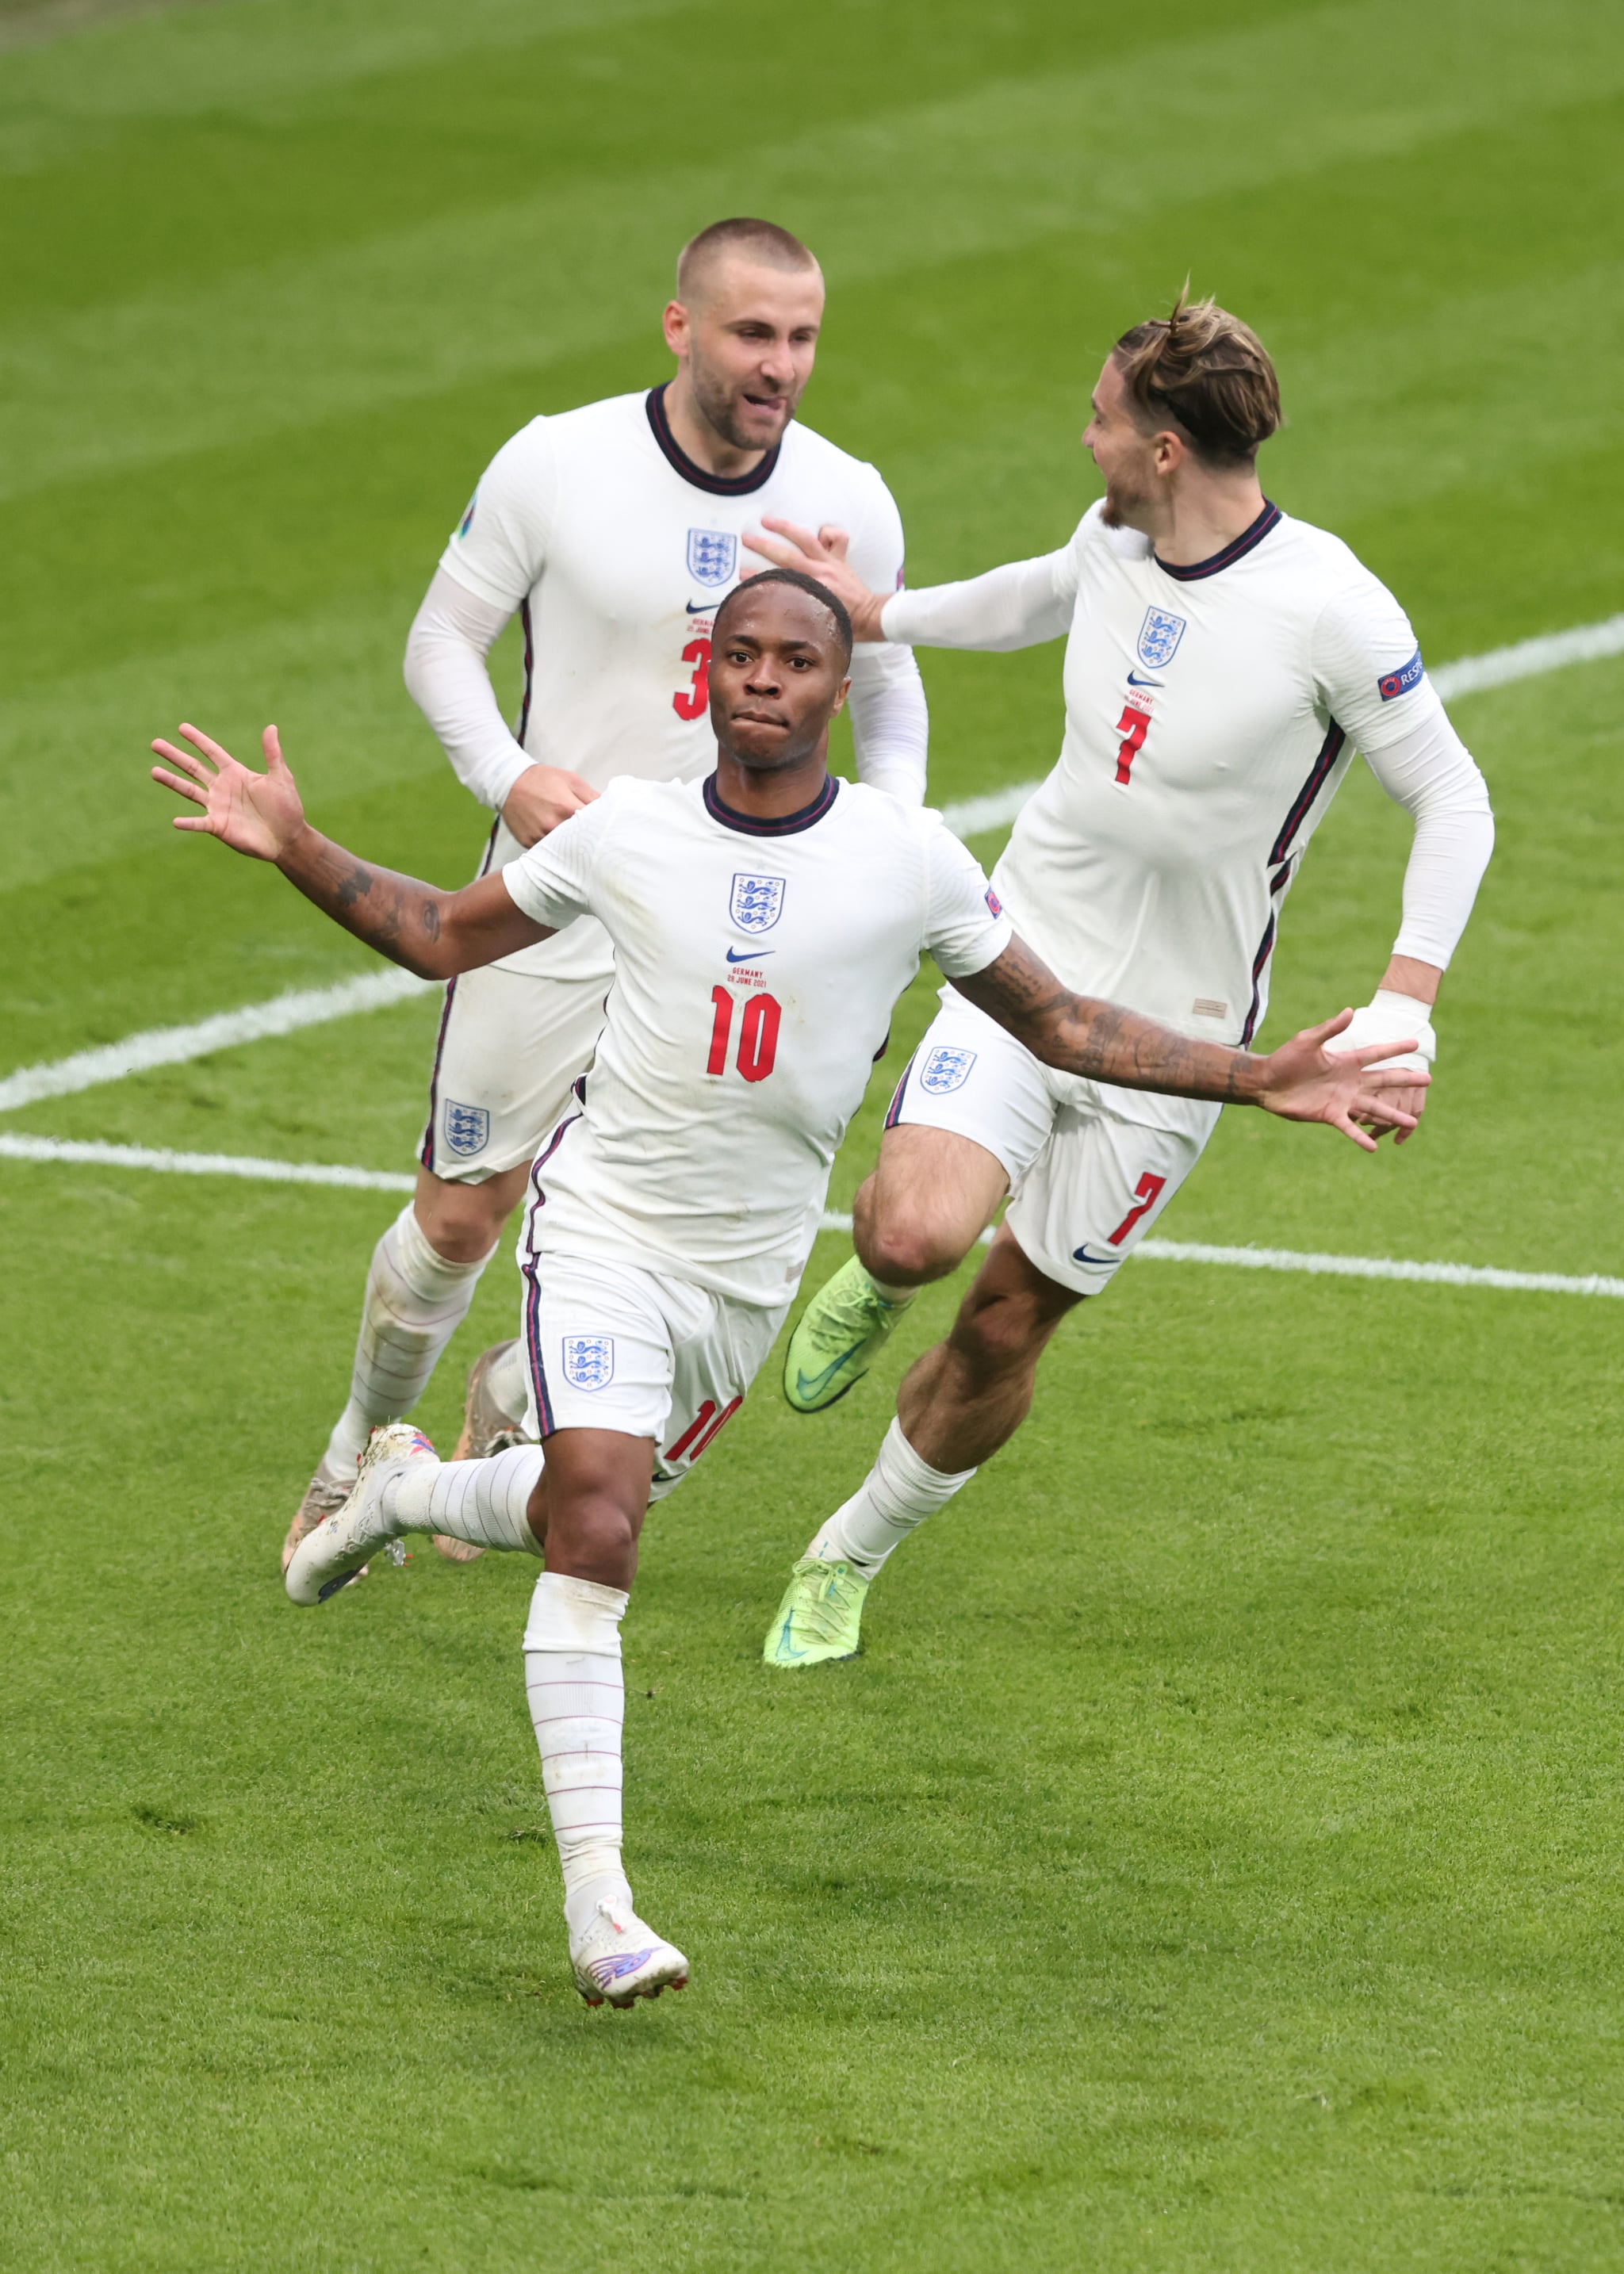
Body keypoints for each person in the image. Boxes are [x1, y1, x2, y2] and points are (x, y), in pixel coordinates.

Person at [151, 572, 1421, 2007]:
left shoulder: (909, 858)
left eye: (796, 659)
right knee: (601, 1533)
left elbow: (1060, 1021)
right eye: (740, 655)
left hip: (747, 1279)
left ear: (834, 688)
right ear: (703, 678)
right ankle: (601, 1913)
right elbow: (447, 932)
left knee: (585, 1503)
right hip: (606, 1227)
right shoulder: (629, 832)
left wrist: (1266, 1076)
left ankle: (394, 1493)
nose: (764, 678)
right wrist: (296, 842)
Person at [747, 293, 1493, 1668]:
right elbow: (1044, 590)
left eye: (1101, 415)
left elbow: (1455, 798)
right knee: (910, 1234)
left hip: (1186, 1034)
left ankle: (847, 1553)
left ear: (1161, 448)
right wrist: (878, 612)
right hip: (1024, 959)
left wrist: (1406, 1001)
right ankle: (877, 1279)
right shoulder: (1115, 534)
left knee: (1005, 1324)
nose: (1081, 432)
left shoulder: (1332, 607)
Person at [284, 216, 928, 1573]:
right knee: (461, 1213)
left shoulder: (848, 499)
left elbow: (889, 695)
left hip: (733, 937)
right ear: (681, 327)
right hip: (559, 897)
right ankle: (350, 1458)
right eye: (755, 334)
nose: (782, 366)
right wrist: (509, 775)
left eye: (804, 337)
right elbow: (441, 642)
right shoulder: (556, 460)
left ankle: (511, 1412)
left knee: (667, 1223)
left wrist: (888, 854)